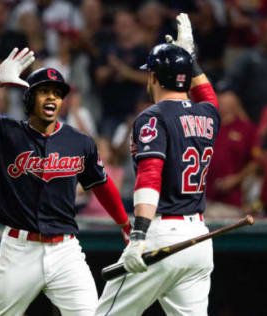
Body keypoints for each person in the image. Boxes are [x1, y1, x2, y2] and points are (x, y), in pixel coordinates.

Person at [0, 47, 131, 315]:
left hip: (66, 251)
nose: (52, 98)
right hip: (19, 250)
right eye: (45, 91)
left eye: (57, 93)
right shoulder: (3, 132)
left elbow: (101, 184)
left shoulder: (79, 142)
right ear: (29, 98)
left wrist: (125, 223)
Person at [95, 13, 220, 315]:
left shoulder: (153, 116)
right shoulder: (208, 115)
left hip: (162, 235)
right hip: (198, 239)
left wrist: (138, 237)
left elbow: (150, 175)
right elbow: (209, 98)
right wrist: (191, 59)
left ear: (152, 77)